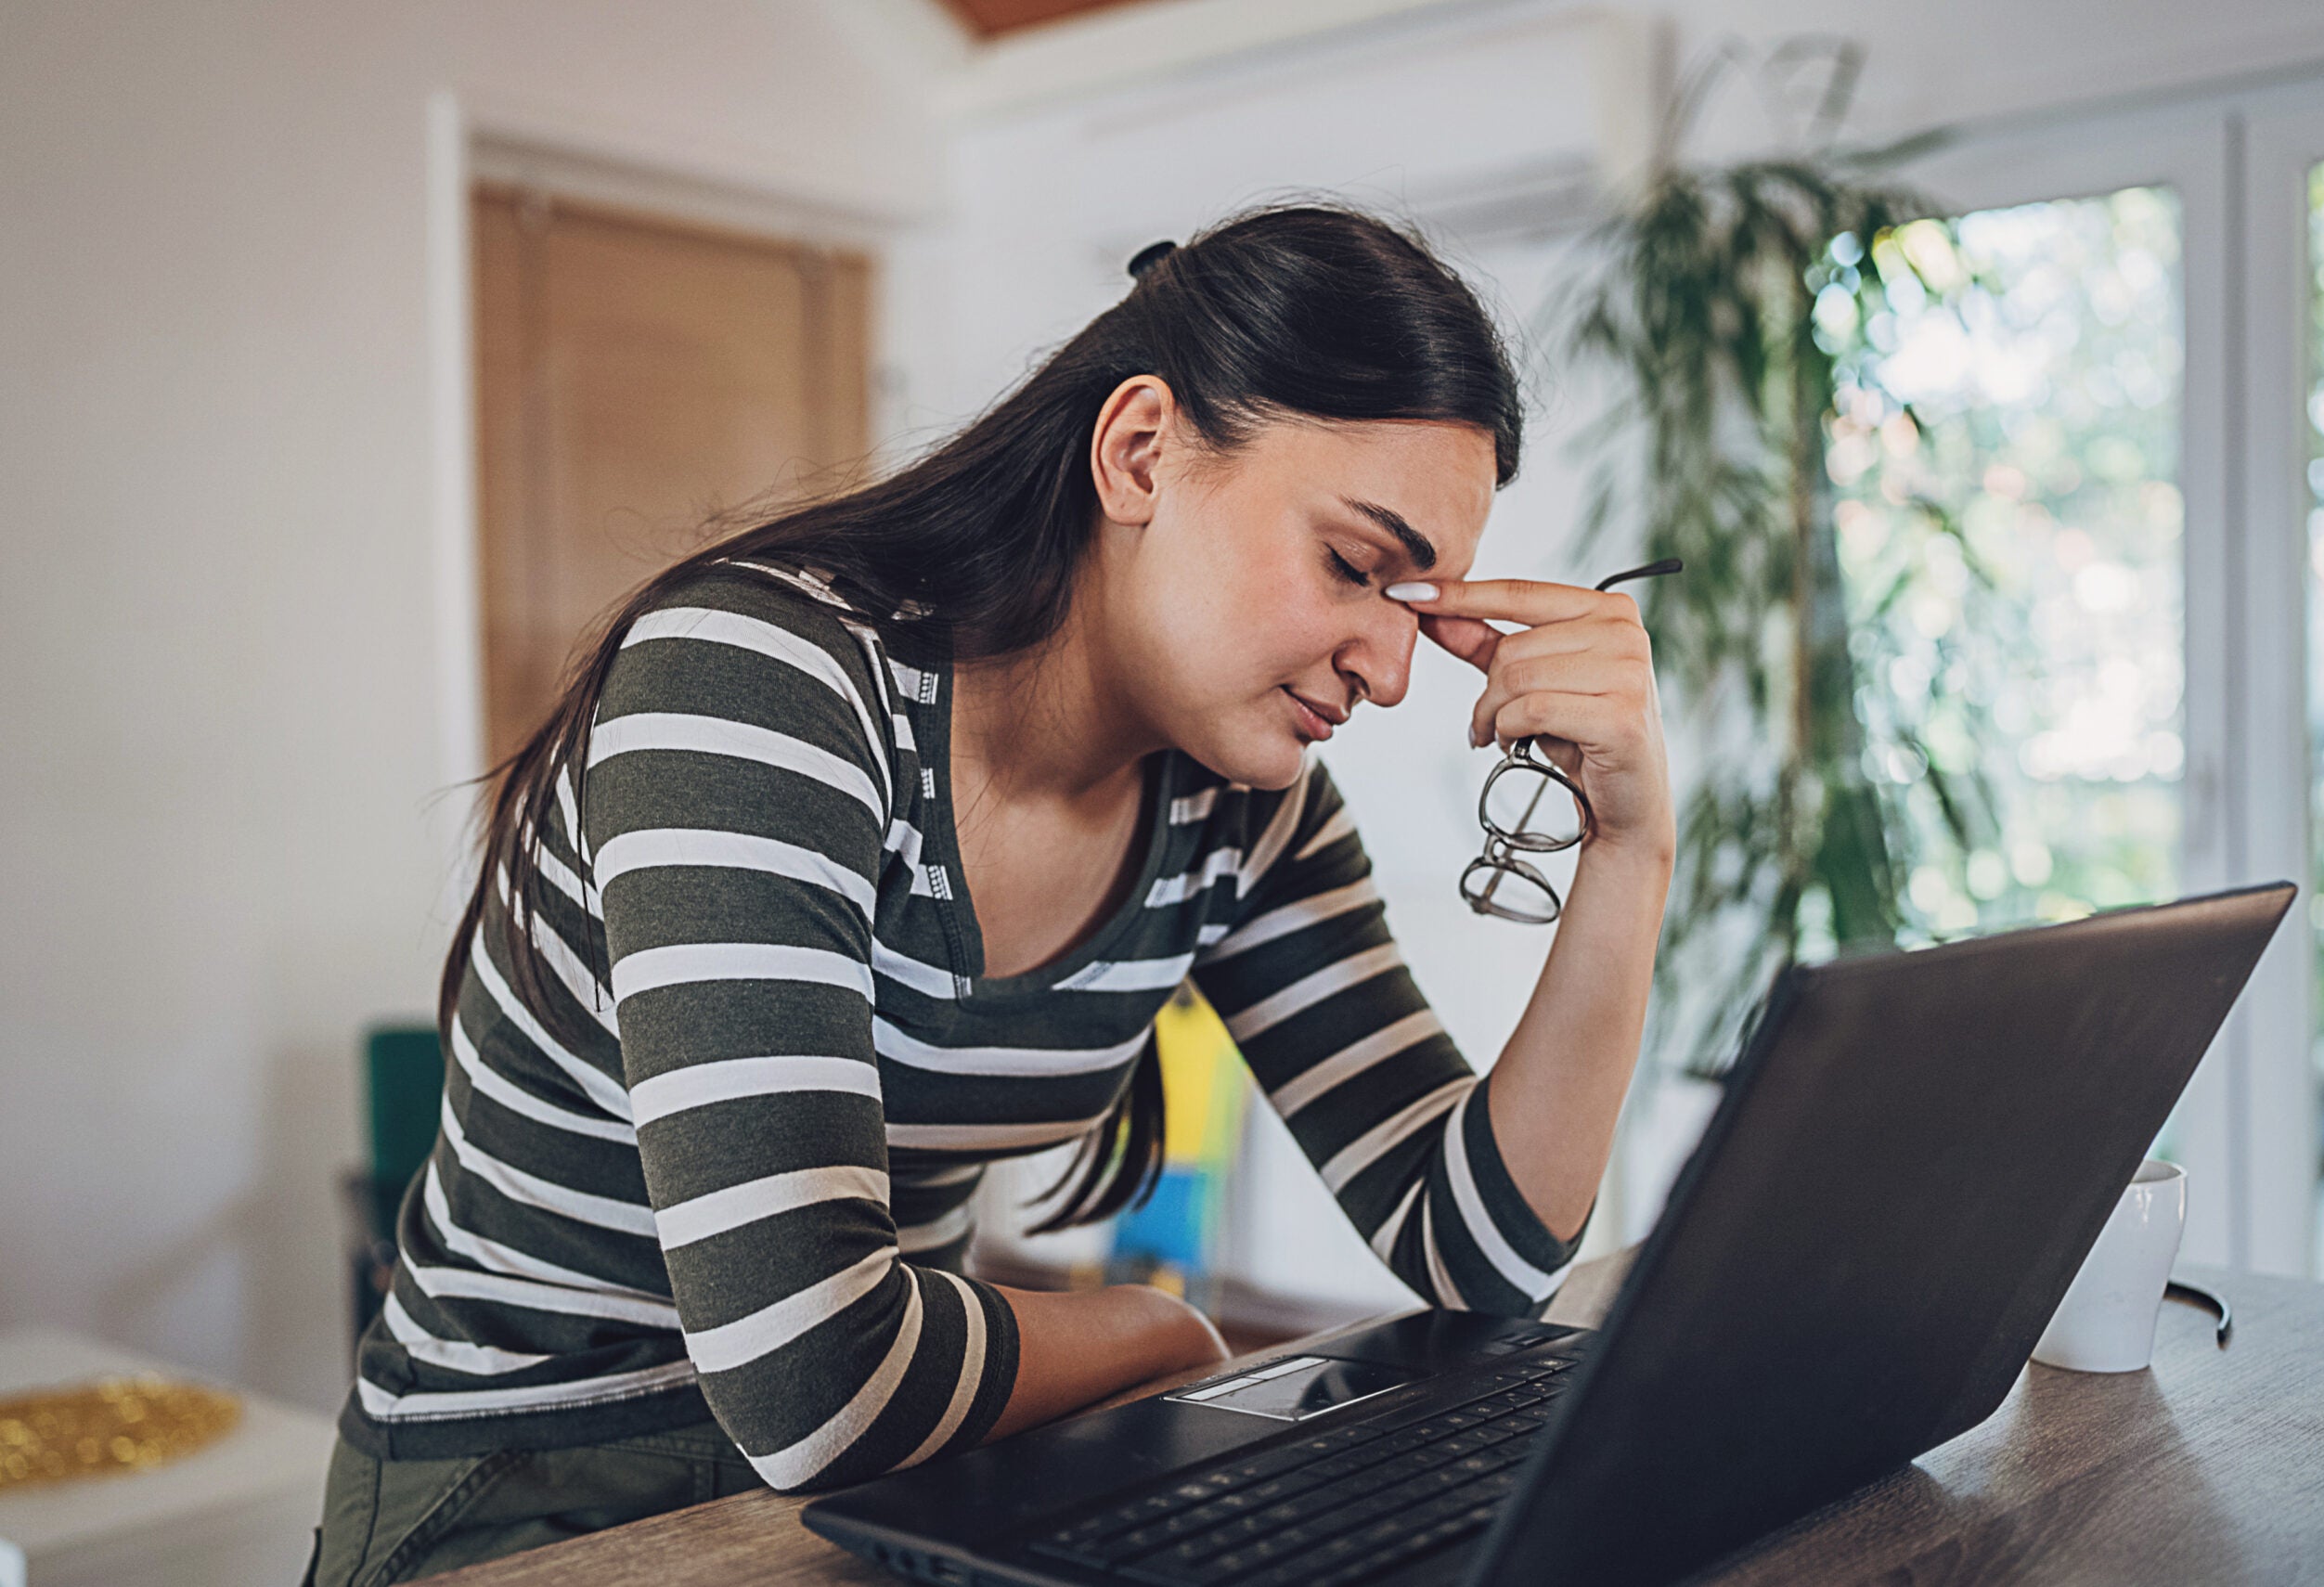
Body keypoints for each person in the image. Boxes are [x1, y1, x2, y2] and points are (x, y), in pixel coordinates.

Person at [308, 204, 1672, 1585]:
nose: (1389, 669)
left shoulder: (1239, 812)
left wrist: (1628, 847)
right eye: (1349, 565)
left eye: (1416, 602)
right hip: (533, 1484)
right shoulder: (762, 683)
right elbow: (815, 1378)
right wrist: (1163, 1338)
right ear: (1140, 451)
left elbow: (1480, 1248)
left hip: (897, 1470)